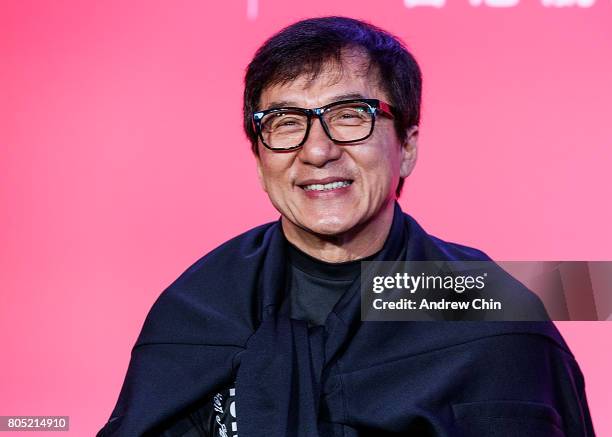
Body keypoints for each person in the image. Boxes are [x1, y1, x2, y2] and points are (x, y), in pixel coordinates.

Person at [98, 16, 595, 437]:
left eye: (350, 115)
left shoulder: (489, 307)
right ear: (258, 158)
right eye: (285, 121)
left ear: (409, 146)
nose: (318, 150)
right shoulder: (199, 306)